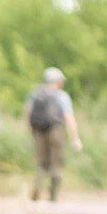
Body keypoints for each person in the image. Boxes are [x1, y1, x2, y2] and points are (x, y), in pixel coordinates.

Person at [25, 67, 83, 202]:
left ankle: (36, 192)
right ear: (58, 81)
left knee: (40, 164)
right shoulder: (61, 96)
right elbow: (68, 118)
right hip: (56, 132)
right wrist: (75, 138)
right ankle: (52, 196)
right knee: (56, 164)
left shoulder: (35, 94)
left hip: (39, 132)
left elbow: (27, 114)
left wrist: (31, 131)